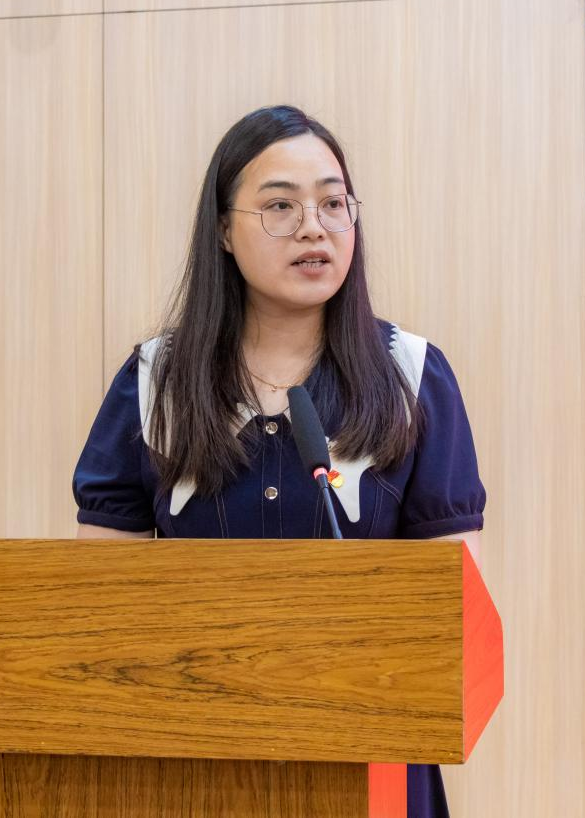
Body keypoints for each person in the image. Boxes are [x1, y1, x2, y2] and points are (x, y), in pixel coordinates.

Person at [73, 104, 485, 818]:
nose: (313, 227)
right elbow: (100, 609)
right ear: (222, 232)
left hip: (368, 759)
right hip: (194, 762)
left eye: (333, 203)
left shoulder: (412, 377)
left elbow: (450, 621)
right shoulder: (154, 382)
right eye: (279, 206)